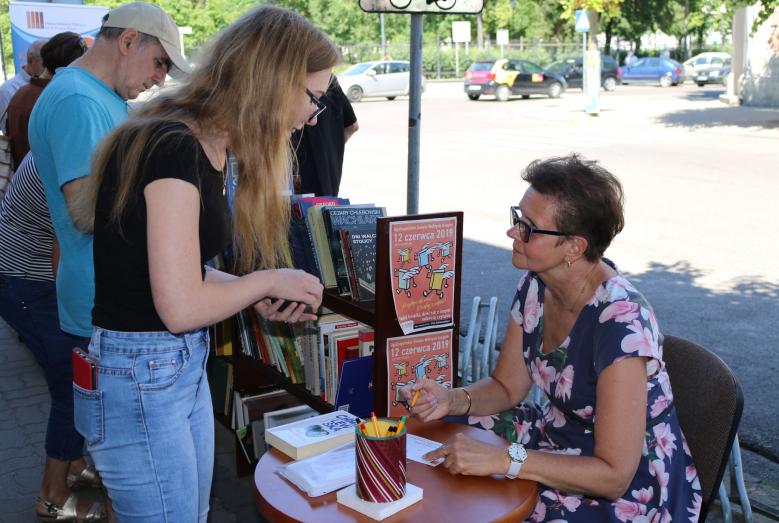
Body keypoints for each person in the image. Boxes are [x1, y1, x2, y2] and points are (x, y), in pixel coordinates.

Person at [70, 5, 333, 521]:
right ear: (272, 82)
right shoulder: (175, 149)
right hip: (145, 373)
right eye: (313, 97)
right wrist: (268, 278)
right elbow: (180, 304)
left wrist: (254, 291)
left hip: (167, 368)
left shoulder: (201, 143)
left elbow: (178, 273)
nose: (314, 115)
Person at [401, 154, 701, 521]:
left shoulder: (622, 324)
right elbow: (506, 386)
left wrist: (506, 460)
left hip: (626, 484)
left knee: (508, 502)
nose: (513, 232)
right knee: (440, 436)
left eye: (528, 227)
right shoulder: (534, 285)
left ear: (574, 247)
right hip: (558, 437)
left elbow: (614, 476)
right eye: (517, 218)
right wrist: (452, 399)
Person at [28, 2, 188, 349]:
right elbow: (86, 213)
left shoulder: (97, 96)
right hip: (103, 308)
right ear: (128, 41)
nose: (161, 77)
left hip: (107, 300)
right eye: (160, 61)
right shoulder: (78, 100)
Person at [0, 154, 106, 522]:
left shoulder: (66, 139)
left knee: (67, 380)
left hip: (24, 277)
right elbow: (65, 247)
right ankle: (52, 496)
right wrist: (80, 316)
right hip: (28, 280)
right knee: (70, 386)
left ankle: (73, 464)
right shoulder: (74, 154)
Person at [7, 32, 88, 167]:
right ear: (72, 65)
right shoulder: (58, 100)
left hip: (23, 179)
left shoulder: (22, 92)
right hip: (42, 183)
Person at [293, 77, 358, 196]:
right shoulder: (329, 81)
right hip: (329, 183)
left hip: (300, 187)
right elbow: (353, 126)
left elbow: (353, 126)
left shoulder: (305, 82)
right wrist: (330, 149)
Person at [0, 39, 46, 130]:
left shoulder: (52, 85)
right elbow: (8, 130)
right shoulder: (7, 90)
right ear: (30, 60)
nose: (50, 68)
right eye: (45, 64)